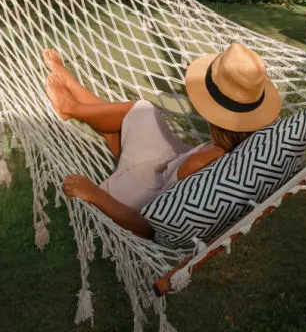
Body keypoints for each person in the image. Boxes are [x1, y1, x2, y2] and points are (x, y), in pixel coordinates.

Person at [43, 42, 281, 239]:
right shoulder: (248, 140)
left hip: (144, 190)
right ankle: (72, 94)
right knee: (141, 111)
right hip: (167, 165)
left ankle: (69, 106)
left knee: (122, 124)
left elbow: (149, 227)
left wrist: (93, 193)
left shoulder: (200, 167)